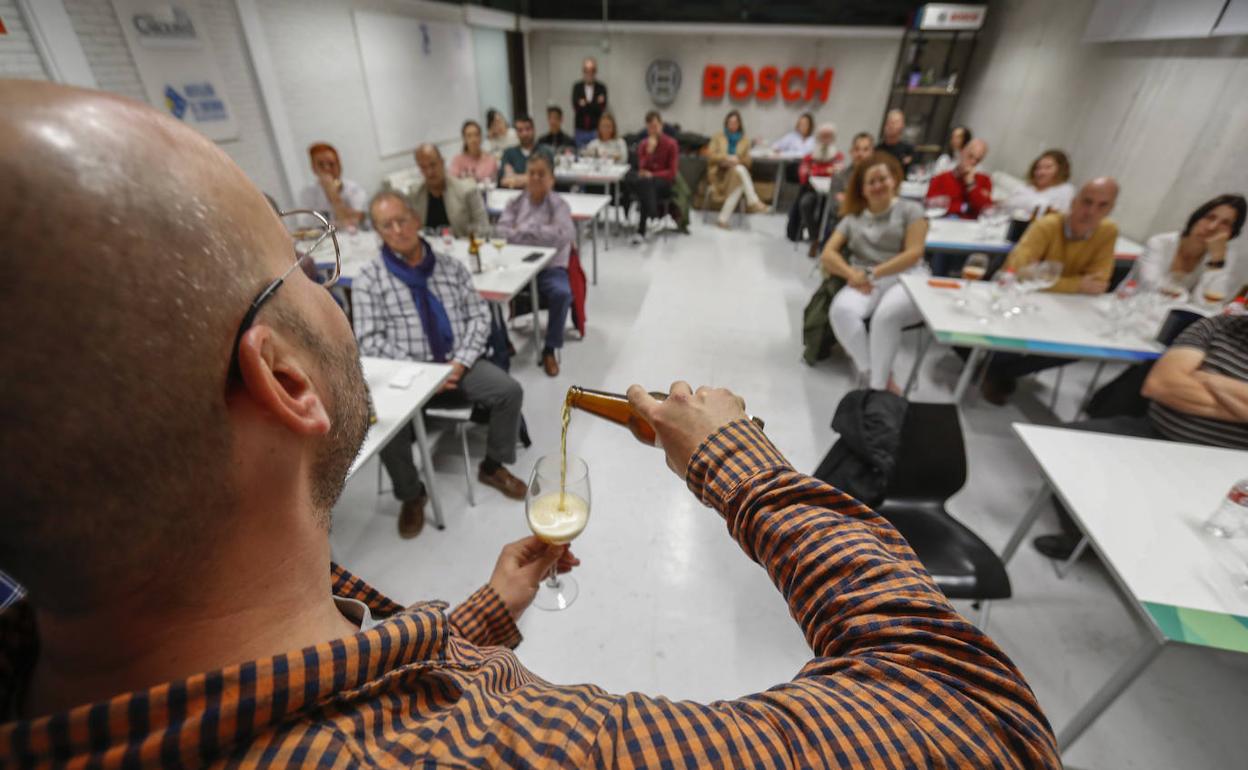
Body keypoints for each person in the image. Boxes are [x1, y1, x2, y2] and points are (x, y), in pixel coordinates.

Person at [0, 81, 1061, 769]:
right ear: (282, 376)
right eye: (305, 264)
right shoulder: (521, 750)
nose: (336, 281)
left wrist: (484, 613)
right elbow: (980, 724)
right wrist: (742, 464)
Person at [354, 191, 528, 536]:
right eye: (386, 225)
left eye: (402, 220)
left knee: (509, 390)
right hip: (408, 373)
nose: (398, 230)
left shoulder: (451, 267)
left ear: (416, 220)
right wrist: (427, 374)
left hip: (457, 365)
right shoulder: (369, 280)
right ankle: (411, 494)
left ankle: (493, 466)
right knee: (384, 426)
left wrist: (459, 363)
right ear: (378, 233)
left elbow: (480, 316)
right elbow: (368, 339)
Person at [1031, 313, 1248, 559]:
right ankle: (1083, 539)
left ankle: (1152, 551)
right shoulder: (1218, 326)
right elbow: (1159, 384)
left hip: (1230, 461)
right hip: (1154, 431)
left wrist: (1207, 378)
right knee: (1060, 445)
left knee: (1221, 516)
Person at [980, 177, 1121, 405]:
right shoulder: (1047, 226)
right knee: (1014, 329)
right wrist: (1076, 284)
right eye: (1087, 202)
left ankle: (1003, 372)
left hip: (1068, 306)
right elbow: (1016, 269)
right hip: (1025, 300)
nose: (1091, 211)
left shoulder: (1107, 232)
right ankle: (992, 370)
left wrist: (1047, 276)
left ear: (1111, 209)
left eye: (1102, 205)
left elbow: (1100, 281)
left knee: (1080, 347)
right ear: (1074, 202)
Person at [821, 152, 929, 392]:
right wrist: (852, 273)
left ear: (895, 179)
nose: (878, 185)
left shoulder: (911, 210)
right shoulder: (853, 218)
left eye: (883, 179)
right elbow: (828, 254)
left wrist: (871, 273)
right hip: (865, 279)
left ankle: (878, 389)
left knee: (886, 316)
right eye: (871, 182)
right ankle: (872, 372)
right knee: (842, 311)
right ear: (863, 189)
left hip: (907, 276)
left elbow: (914, 253)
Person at [496, 150, 576, 377]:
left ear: (551, 178)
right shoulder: (515, 202)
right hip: (517, 266)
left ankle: (550, 348)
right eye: (531, 173)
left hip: (550, 268)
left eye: (542, 174)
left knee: (562, 293)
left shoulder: (559, 205)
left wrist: (524, 231)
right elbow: (502, 232)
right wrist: (541, 232)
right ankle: (503, 343)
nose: (536, 179)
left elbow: (564, 235)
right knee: (489, 296)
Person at [1137, 194, 1247, 295]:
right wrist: (1187, 298)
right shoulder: (1161, 242)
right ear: (1197, 218)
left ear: (1231, 233)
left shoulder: (1222, 256)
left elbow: (1209, 304)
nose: (1212, 227)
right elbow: (1151, 286)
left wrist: (1217, 261)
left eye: (1225, 223)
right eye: (1210, 217)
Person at [409, 143, 490, 238]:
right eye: (423, 167)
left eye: (433, 165)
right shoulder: (415, 194)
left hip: (463, 248)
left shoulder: (467, 190)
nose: (429, 172)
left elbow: (483, 228)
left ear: (442, 162)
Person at [625, 109, 680, 245]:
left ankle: (642, 230)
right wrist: (649, 152)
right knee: (634, 178)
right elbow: (641, 167)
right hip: (647, 182)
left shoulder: (671, 144)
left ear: (661, 125)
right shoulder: (644, 144)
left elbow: (671, 173)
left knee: (646, 184)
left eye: (655, 126)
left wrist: (652, 174)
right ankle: (653, 217)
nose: (653, 130)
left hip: (664, 182)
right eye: (650, 127)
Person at [707, 109, 769, 229]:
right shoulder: (718, 136)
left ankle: (722, 219)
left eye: (735, 122)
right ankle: (753, 201)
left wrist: (738, 160)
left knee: (739, 174)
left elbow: (748, 161)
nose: (732, 125)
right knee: (740, 175)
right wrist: (726, 158)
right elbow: (710, 155)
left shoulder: (744, 140)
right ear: (726, 123)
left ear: (739, 124)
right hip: (720, 173)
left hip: (735, 173)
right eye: (730, 122)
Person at [793, 122, 844, 254]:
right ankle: (815, 236)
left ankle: (827, 239)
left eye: (829, 136)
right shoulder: (810, 156)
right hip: (812, 191)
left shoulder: (838, 156)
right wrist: (826, 170)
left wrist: (816, 170)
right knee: (805, 204)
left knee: (832, 209)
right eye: (823, 136)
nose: (826, 140)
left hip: (831, 193)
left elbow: (838, 174)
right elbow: (803, 175)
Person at [299, 141, 366, 229]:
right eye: (321, 165)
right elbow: (307, 226)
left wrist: (333, 195)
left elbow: (352, 224)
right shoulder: (307, 193)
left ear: (339, 165)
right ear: (314, 168)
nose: (327, 169)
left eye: (331, 164)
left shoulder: (354, 190)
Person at [925, 138, 992, 219]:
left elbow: (985, 210)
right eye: (970, 156)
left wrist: (971, 184)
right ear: (962, 152)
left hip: (971, 227)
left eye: (978, 160)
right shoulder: (941, 178)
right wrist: (964, 207)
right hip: (943, 223)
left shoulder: (984, 180)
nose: (973, 162)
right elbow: (929, 205)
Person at [1003, 149, 1076, 216]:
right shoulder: (1025, 187)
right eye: (1038, 167)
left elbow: (1057, 216)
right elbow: (1006, 206)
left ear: (1061, 170)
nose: (1041, 172)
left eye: (1048, 167)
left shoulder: (1065, 190)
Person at [571, 57, 607, 149]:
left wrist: (585, 104)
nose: (589, 73)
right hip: (580, 129)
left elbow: (601, 109)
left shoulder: (601, 88)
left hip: (596, 129)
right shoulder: (577, 87)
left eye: (592, 70)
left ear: (595, 72)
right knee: (580, 155)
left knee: (596, 155)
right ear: (583, 72)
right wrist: (594, 103)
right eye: (586, 70)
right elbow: (576, 108)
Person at [449, 119, 500, 185]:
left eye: (476, 135)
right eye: (469, 136)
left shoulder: (490, 160)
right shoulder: (458, 160)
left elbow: (494, 183)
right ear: (464, 139)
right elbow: (452, 183)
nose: (473, 139)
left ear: (481, 137)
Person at [499, 114, 537, 189]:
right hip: (514, 197)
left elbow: (546, 180)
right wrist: (532, 178)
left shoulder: (544, 152)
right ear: (516, 133)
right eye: (520, 130)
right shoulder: (509, 153)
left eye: (527, 129)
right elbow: (504, 181)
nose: (524, 133)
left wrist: (514, 178)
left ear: (534, 130)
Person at [876, 109, 915, 173]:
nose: (891, 125)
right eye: (889, 121)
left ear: (902, 125)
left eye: (895, 122)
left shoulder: (909, 150)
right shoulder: (877, 150)